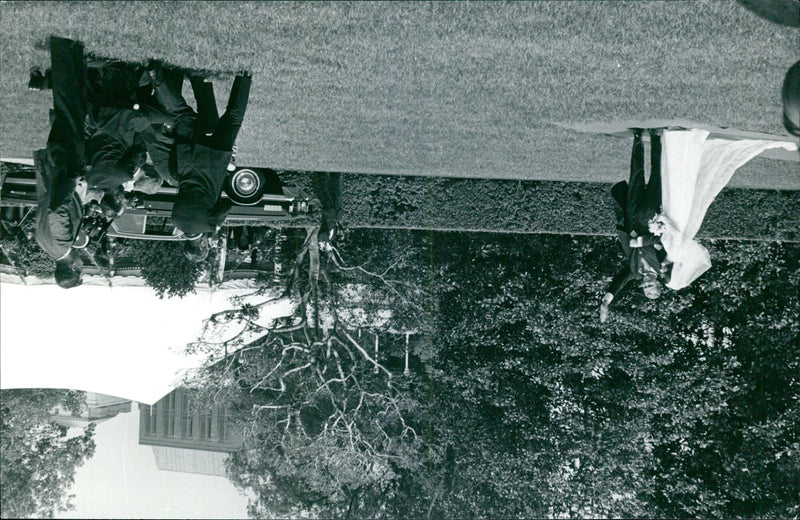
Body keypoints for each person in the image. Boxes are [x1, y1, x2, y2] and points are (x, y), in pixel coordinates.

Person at [657, 128, 798, 290]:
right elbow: (675, 232)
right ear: (671, 270)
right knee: (679, 184)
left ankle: (685, 144)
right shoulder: (674, 253)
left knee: (682, 185)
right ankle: (682, 142)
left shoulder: (676, 253)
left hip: (679, 215)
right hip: (677, 215)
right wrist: (661, 220)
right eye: (664, 273)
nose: (660, 269)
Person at [148, 63, 252, 262]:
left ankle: (245, 77)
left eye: (206, 245)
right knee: (181, 115)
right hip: (189, 160)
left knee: (233, 118)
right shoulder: (175, 220)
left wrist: (217, 223)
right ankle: (156, 77)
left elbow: (227, 204)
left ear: (203, 244)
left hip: (214, 160)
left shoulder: (209, 225)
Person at [33, 36, 103, 289]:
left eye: (81, 269)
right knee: (72, 107)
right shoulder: (46, 245)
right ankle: (73, 52)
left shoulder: (62, 243)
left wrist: (74, 181)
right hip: (54, 165)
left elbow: (56, 210)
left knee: (69, 104)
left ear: (73, 268)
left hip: (64, 165)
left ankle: (64, 48)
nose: (83, 264)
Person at [600, 128, 670, 323]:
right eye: (651, 287)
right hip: (651, 215)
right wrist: (640, 242)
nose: (646, 285)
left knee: (636, 174)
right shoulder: (663, 267)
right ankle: (656, 137)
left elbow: (619, 281)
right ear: (658, 284)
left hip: (631, 216)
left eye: (645, 288)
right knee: (657, 174)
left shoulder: (635, 272)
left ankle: (638, 137)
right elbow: (661, 240)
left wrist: (607, 301)